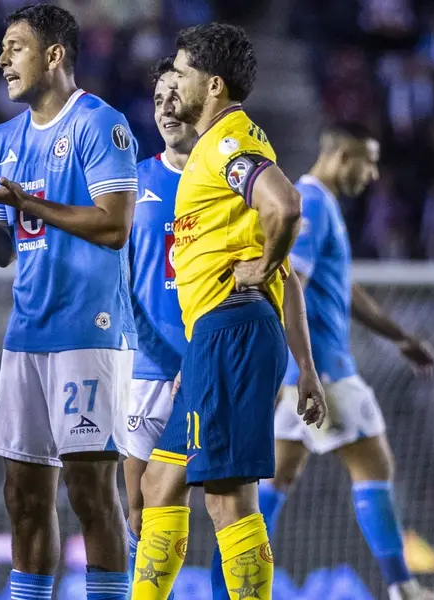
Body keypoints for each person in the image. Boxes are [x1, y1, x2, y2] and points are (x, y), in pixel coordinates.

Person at [130, 24, 327, 600]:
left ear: (212, 85)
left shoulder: (224, 145)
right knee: (160, 482)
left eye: (184, 73)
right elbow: (285, 274)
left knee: (226, 499)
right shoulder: (221, 144)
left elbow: (285, 205)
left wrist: (262, 264)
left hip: (231, 332)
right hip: (215, 337)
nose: (175, 83)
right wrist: (306, 368)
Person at [0, 4, 138, 599]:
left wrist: (27, 202)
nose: (2, 59)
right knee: (23, 499)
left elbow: (115, 225)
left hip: (90, 333)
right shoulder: (3, 138)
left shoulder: (99, 124)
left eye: (15, 47)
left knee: (90, 495)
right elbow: (4, 252)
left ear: (54, 55)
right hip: (26, 335)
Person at [259, 123, 434, 600]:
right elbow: (287, 282)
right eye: (369, 160)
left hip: (304, 372)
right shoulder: (312, 204)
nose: (374, 172)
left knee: (275, 480)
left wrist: (399, 337)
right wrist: (302, 370)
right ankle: (403, 587)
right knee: (375, 465)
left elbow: (345, 290)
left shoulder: (321, 205)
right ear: (343, 156)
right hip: (323, 372)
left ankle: (234, 583)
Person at [121, 56, 197, 597]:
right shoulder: (134, 183)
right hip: (141, 368)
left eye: (176, 95)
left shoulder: (226, 184)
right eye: (157, 100)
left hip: (203, 367)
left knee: (221, 502)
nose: (166, 108)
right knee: (138, 508)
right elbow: (115, 280)